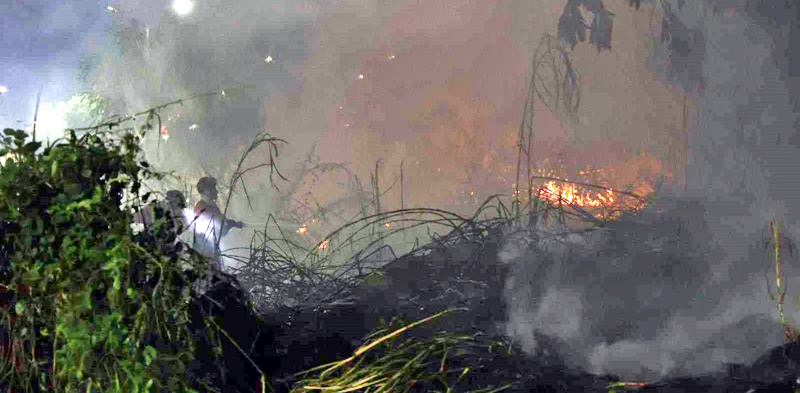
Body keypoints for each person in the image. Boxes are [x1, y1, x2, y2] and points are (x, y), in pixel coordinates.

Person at [189, 176, 243, 269]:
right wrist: (229, 224)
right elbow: (219, 229)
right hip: (206, 255)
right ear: (207, 191)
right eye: (213, 188)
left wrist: (231, 223)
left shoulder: (209, 206)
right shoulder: (203, 207)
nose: (216, 191)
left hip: (210, 252)